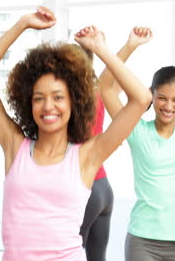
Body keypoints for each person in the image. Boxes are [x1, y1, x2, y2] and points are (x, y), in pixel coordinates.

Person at [0, 6, 152, 261]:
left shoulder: (87, 156)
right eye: (38, 98)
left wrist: (100, 49)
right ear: (28, 103)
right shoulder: (14, 145)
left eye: (58, 97)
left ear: (74, 102)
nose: (48, 106)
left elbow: (141, 99)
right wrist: (22, 24)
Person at [99, 26, 175, 261]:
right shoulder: (137, 131)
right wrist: (130, 45)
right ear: (151, 95)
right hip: (142, 241)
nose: (168, 106)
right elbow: (105, 87)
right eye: (161, 98)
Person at [79, 92, 114, 261]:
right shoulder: (100, 92)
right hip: (104, 188)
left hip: (85, 187)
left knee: (66, 254)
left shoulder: (71, 96)